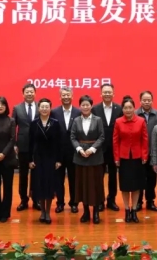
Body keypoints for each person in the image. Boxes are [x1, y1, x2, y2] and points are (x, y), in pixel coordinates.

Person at [113, 96, 148, 223]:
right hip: (124, 158)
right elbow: (115, 141)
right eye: (125, 108)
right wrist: (116, 158)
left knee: (136, 186)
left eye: (130, 107)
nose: (128, 110)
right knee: (125, 186)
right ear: (122, 109)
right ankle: (127, 211)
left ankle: (134, 210)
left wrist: (145, 155)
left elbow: (145, 139)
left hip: (137, 157)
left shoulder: (141, 121)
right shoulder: (118, 122)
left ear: (134, 108)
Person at [71, 95, 105, 224]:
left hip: (95, 157)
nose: (85, 107)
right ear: (80, 106)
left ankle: (96, 212)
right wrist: (79, 149)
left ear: (91, 106)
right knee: (82, 185)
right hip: (80, 157)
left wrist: (92, 149)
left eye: (87, 105)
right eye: (83, 105)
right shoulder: (76, 120)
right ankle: (85, 212)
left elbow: (101, 137)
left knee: (95, 185)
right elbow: (73, 137)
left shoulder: (98, 120)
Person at [29, 98, 62, 224]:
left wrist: (59, 160)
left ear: (50, 108)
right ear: (38, 108)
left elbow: (59, 143)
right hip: (38, 159)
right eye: (42, 107)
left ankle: (48, 212)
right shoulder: (34, 123)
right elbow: (30, 143)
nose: (44, 109)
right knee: (40, 186)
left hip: (51, 158)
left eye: (46, 107)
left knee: (49, 186)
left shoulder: (55, 123)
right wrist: (30, 160)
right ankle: (42, 211)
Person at [91, 84, 122, 212]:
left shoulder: (119, 109)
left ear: (113, 94)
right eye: (105, 92)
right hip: (99, 149)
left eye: (109, 92)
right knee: (99, 176)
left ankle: (111, 200)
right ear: (101, 94)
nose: (107, 94)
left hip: (114, 149)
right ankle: (99, 201)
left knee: (113, 176)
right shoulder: (95, 109)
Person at [50, 86, 81, 214]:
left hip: (74, 152)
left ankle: (74, 203)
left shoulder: (78, 112)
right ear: (60, 97)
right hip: (59, 152)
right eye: (64, 95)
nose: (66, 97)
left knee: (74, 179)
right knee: (59, 180)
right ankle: (60, 203)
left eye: (68, 95)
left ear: (72, 96)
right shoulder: (54, 112)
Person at [12, 83, 39, 211]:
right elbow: (13, 127)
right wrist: (14, 144)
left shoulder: (41, 106)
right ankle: (23, 200)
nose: (29, 94)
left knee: (37, 174)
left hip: (38, 145)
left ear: (35, 93)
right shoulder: (17, 108)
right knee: (23, 174)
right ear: (23, 94)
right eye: (27, 92)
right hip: (22, 145)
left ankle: (36, 199)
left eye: (31, 92)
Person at [136, 90, 157, 212]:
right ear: (140, 101)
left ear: (152, 101)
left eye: (149, 100)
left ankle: (150, 201)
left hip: (153, 153)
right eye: (144, 100)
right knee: (139, 178)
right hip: (138, 153)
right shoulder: (135, 114)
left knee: (152, 179)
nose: (146, 102)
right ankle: (138, 202)